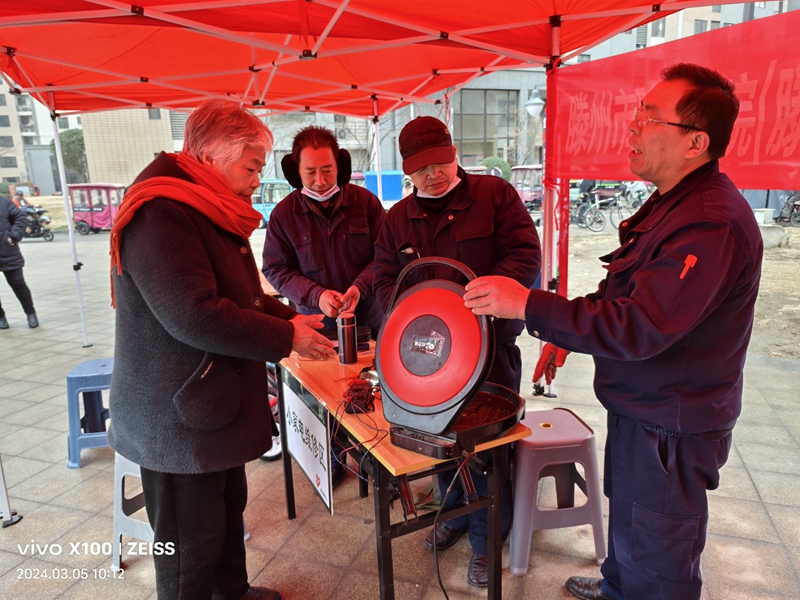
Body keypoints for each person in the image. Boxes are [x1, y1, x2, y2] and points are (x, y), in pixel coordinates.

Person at [463, 63, 762, 600]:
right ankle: (616, 587)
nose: (632, 126)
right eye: (638, 112)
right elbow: (624, 292)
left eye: (650, 117)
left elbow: (642, 325)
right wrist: (563, 333)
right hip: (641, 408)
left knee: (658, 558)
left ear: (695, 142)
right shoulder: (672, 203)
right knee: (630, 527)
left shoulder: (710, 222)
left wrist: (527, 303)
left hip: (670, 426)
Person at [108, 99, 335, 600]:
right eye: (251, 168)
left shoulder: (203, 204)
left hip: (209, 403)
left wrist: (288, 318)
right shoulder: (161, 213)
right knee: (190, 541)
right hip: (176, 414)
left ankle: (233, 592)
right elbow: (196, 314)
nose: (258, 180)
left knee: (227, 510)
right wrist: (286, 337)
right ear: (211, 158)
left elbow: (239, 296)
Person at [372, 116, 541, 587]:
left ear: (454, 153)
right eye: (421, 169)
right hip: (429, 360)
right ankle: (456, 515)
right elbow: (384, 280)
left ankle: (488, 537)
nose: (434, 175)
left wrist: (480, 302)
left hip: (490, 353)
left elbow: (525, 256)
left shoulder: (495, 195)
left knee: (487, 448)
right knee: (441, 440)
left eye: (441, 163)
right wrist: (408, 316)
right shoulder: (397, 218)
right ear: (407, 171)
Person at [262, 126, 386, 481]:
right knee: (322, 399)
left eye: (327, 170)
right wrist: (316, 294)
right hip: (315, 328)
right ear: (296, 172)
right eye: (310, 172)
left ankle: (375, 460)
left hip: (370, 322)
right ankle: (332, 460)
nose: (319, 181)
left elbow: (386, 255)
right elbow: (275, 268)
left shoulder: (366, 204)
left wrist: (361, 286)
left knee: (373, 394)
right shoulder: (284, 214)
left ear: (340, 166)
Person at [0, 194, 39, 329]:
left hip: (7, 250)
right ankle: (0, 316)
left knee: (18, 283)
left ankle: (30, 313)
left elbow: (20, 218)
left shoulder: (4, 202)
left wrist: (14, 235)